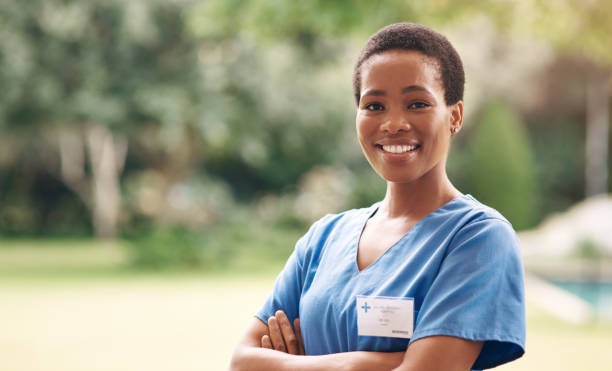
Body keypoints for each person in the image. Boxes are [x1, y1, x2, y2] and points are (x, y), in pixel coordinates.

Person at [230, 22, 525, 371]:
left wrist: (298, 365)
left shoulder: (477, 237)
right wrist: (383, 362)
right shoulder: (323, 240)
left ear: (455, 116)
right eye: (374, 106)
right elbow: (243, 362)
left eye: (417, 103)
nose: (393, 123)